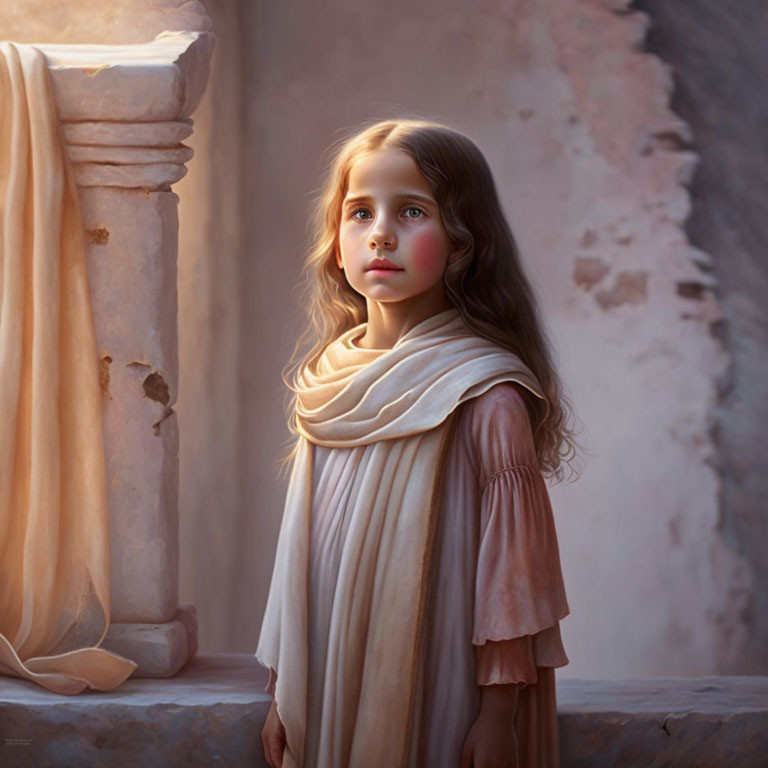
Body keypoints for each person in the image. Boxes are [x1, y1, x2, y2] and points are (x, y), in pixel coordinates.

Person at [256, 118, 580, 768]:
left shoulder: (486, 397)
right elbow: (301, 561)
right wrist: (280, 692)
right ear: (336, 241)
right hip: (327, 685)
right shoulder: (326, 387)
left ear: (464, 241)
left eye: (411, 211)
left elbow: (513, 579)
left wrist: (497, 716)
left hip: (444, 687)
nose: (380, 232)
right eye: (359, 212)